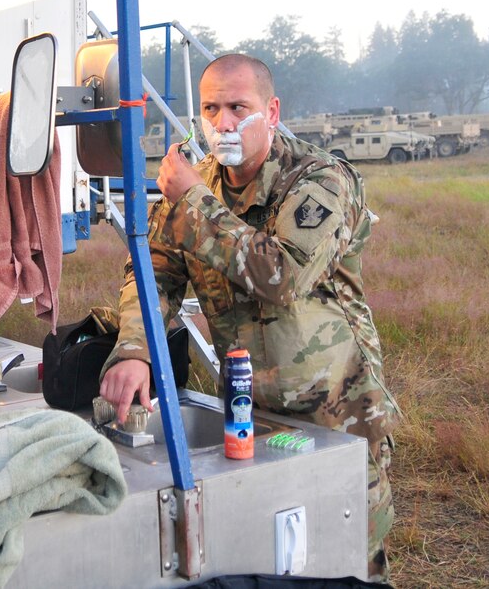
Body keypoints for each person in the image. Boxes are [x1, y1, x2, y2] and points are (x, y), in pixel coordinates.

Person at [99, 54, 398, 582]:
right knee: (264, 557)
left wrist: (193, 201)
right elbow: (151, 276)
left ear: (273, 111)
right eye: (211, 109)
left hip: (336, 416)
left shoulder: (320, 181)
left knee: (344, 564)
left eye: (240, 107)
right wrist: (135, 350)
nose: (223, 124)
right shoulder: (197, 188)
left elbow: (280, 275)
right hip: (247, 414)